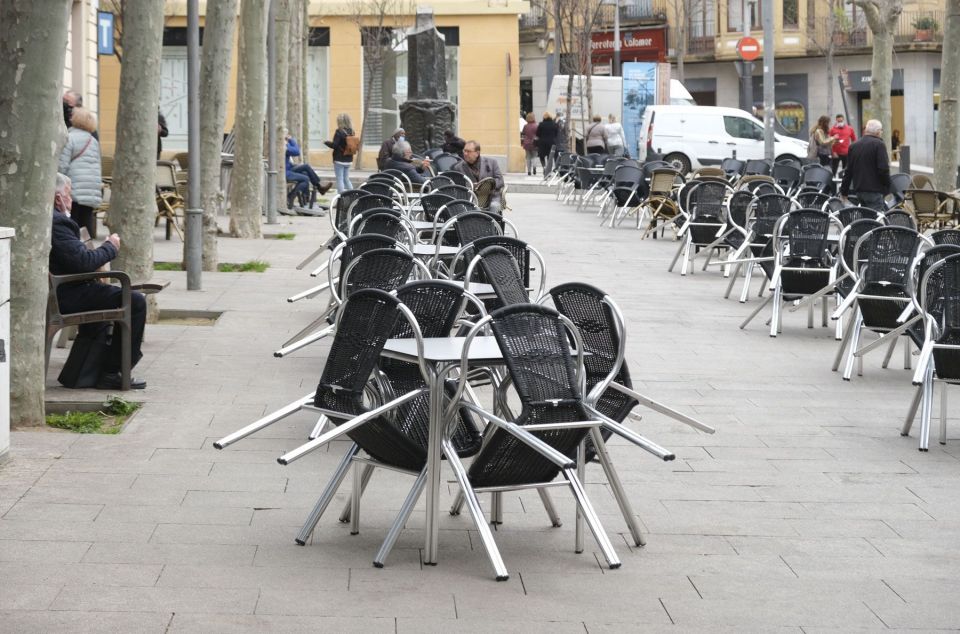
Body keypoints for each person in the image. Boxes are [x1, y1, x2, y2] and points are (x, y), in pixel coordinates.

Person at [50, 173, 147, 390]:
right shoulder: (58, 223)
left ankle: (112, 368)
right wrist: (110, 247)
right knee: (135, 301)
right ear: (58, 198)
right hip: (68, 294)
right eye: (68, 194)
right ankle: (113, 371)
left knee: (126, 297)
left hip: (71, 287)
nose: (71, 199)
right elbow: (84, 262)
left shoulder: (55, 221)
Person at [58, 107, 102, 239]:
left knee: (73, 222)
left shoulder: (70, 138)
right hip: (91, 189)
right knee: (86, 223)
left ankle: (74, 250)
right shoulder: (93, 141)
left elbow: (62, 166)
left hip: (75, 187)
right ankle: (87, 252)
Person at [840, 119, 890, 212]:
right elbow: (883, 169)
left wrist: (844, 191)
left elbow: (848, 171)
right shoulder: (879, 144)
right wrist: (887, 186)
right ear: (878, 131)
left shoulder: (854, 145)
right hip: (874, 190)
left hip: (859, 190)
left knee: (866, 218)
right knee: (875, 220)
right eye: (881, 131)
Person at [454, 140, 504, 213]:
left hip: (491, 197)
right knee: (473, 208)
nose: (465, 153)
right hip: (471, 198)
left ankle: (493, 224)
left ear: (477, 153)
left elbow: (500, 181)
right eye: (464, 151)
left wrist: (486, 185)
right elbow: (458, 187)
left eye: (468, 151)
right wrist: (471, 187)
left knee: (494, 206)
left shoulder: (492, 163)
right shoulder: (458, 167)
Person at [285, 135, 332, 209]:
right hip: (285, 172)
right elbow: (297, 152)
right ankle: (290, 197)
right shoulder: (283, 145)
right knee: (306, 176)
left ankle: (307, 199)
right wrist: (291, 140)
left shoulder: (284, 144)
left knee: (306, 174)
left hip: (289, 168)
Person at [325, 113, 355, 193]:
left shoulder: (339, 132)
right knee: (346, 179)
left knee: (340, 179)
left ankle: (341, 199)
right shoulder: (352, 131)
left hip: (339, 159)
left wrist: (327, 143)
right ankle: (353, 196)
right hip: (349, 159)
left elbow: (335, 145)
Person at [536, 111, 559, 177]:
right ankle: (548, 171)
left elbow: (537, 134)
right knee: (550, 157)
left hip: (542, 142)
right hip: (551, 143)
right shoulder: (554, 124)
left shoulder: (541, 124)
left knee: (541, 156)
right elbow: (556, 134)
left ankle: (544, 167)